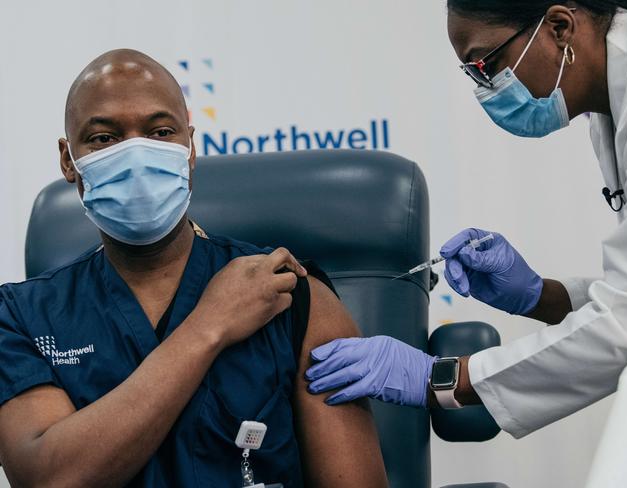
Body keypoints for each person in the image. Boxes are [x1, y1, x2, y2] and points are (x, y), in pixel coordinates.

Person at [0, 49, 388, 487]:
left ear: (190, 147)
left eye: (161, 131)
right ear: (68, 160)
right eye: (104, 138)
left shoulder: (292, 296)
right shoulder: (19, 317)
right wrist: (208, 325)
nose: (137, 155)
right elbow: (49, 478)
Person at [307, 1, 627, 439]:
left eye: (486, 63)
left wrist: (439, 378)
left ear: (560, 27)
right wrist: (538, 297)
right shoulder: (616, 106)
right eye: (473, 74)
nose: (487, 88)